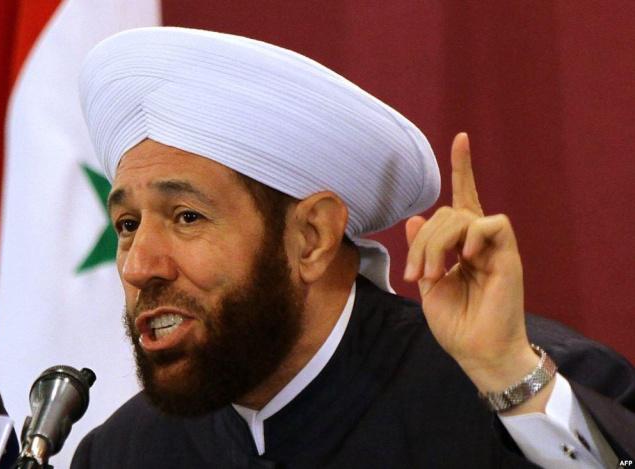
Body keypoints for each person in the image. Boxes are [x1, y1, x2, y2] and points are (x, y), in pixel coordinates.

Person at [71, 27, 634, 468]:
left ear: (311, 238)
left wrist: (510, 379)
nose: (139, 266)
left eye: (187, 217)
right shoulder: (122, 454)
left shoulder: (528, 383)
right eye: (127, 225)